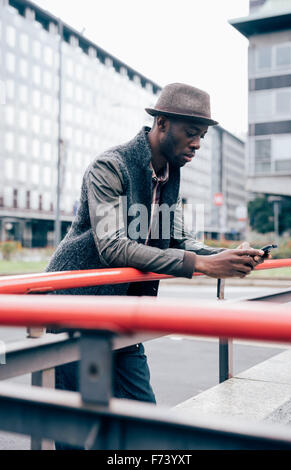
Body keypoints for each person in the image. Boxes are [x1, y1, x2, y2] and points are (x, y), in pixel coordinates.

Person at [46, 83, 265, 449]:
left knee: (145, 424)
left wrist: (227, 254)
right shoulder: (111, 166)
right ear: (162, 124)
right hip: (76, 310)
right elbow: (113, 246)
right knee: (78, 431)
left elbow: (178, 238)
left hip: (127, 315)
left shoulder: (169, 174)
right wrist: (205, 266)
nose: (197, 144)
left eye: (203, 136)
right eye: (191, 133)